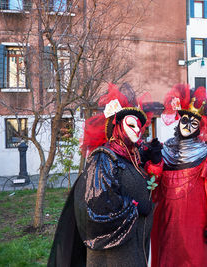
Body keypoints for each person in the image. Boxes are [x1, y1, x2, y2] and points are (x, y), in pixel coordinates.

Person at [48, 83, 163, 267]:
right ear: (116, 127)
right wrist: (135, 208)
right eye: (131, 124)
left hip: (135, 247)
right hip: (115, 255)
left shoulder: (131, 157)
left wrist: (153, 160)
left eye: (140, 126)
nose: (137, 130)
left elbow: (147, 180)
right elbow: (99, 206)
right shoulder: (104, 158)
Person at [151, 84, 207, 267]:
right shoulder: (164, 149)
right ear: (178, 121)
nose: (187, 126)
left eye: (193, 123)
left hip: (195, 222)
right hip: (166, 219)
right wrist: (152, 164)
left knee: (193, 259)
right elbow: (154, 186)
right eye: (184, 121)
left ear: (199, 128)